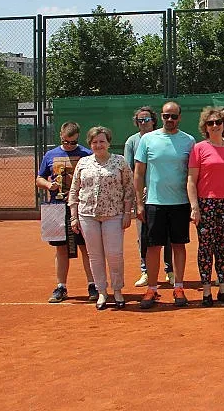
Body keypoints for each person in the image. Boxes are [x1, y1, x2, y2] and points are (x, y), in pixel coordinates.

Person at [134, 101, 196, 309]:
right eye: (166, 116)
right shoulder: (148, 140)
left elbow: (192, 174)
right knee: (153, 247)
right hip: (153, 203)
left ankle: (178, 287)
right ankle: (151, 289)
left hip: (180, 203)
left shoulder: (189, 141)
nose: (169, 120)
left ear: (180, 117)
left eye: (173, 116)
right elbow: (139, 173)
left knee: (179, 245)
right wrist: (139, 203)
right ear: (160, 117)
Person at [68, 126, 134, 310]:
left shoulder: (119, 162)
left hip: (114, 214)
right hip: (87, 214)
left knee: (114, 254)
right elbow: (74, 190)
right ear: (90, 144)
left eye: (102, 141)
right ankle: (102, 292)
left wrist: (128, 213)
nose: (98, 145)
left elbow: (129, 189)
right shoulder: (83, 163)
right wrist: (74, 217)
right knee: (95, 256)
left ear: (108, 142)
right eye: (95, 142)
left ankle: (118, 290)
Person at [36, 122, 97, 303]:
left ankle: (93, 285)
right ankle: (61, 287)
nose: (70, 146)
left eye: (73, 142)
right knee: (60, 248)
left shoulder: (87, 154)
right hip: (56, 208)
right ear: (61, 135)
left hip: (81, 208)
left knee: (86, 248)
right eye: (66, 142)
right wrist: (49, 185)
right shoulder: (50, 155)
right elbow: (39, 178)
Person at [187, 107, 224, 307]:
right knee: (205, 247)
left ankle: (223, 289)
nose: (215, 126)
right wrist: (195, 207)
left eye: (218, 122)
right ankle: (207, 291)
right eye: (211, 123)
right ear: (205, 127)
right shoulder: (199, 148)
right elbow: (191, 180)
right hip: (205, 203)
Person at [124, 106, 173, 288]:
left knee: (168, 235)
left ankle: (170, 271)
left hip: (165, 196)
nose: (143, 123)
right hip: (143, 198)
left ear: (154, 120)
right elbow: (130, 172)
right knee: (144, 236)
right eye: (140, 120)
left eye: (146, 119)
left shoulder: (163, 138)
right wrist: (137, 196)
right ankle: (145, 271)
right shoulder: (132, 141)